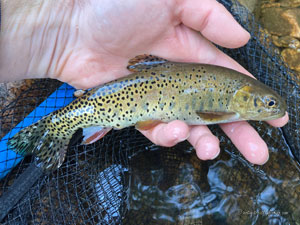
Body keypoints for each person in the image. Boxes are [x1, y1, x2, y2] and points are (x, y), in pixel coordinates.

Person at [0, 0, 288, 165]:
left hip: (115, 97)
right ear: (247, 97)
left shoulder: (234, 96)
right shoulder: (230, 105)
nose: (271, 108)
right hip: (115, 98)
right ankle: (55, 128)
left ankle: (54, 129)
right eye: (270, 104)